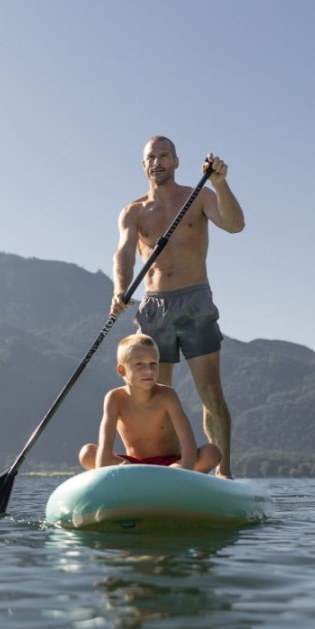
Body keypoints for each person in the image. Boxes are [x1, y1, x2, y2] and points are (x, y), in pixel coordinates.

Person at [110, 136, 245, 478]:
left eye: (164, 156)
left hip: (195, 301)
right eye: (151, 157)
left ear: (176, 161)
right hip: (154, 308)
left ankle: (224, 474)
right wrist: (120, 289)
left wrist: (220, 183)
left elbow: (234, 225)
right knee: (155, 397)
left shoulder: (198, 196)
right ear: (144, 165)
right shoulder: (134, 211)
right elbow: (124, 251)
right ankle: (167, 471)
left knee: (211, 392)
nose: (157, 162)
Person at [79, 333, 222, 472]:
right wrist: (103, 478)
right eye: (139, 364)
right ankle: (132, 474)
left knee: (211, 452)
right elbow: (106, 444)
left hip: (172, 464)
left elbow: (188, 442)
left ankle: (181, 478)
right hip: (133, 465)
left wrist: (184, 471)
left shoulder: (167, 396)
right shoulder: (114, 398)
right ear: (122, 370)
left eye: (153, 364)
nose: (149, 370)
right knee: (87, 453)